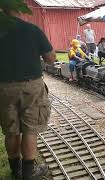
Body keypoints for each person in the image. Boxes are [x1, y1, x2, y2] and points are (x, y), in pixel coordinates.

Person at [0, 5, 56, 180]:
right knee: (30, 130)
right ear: (21, 7)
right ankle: (28, 173)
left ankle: (15, 170)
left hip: (3, 88)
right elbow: (51, 58)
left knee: (11, 130)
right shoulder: (32, 29)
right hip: (31, 87)